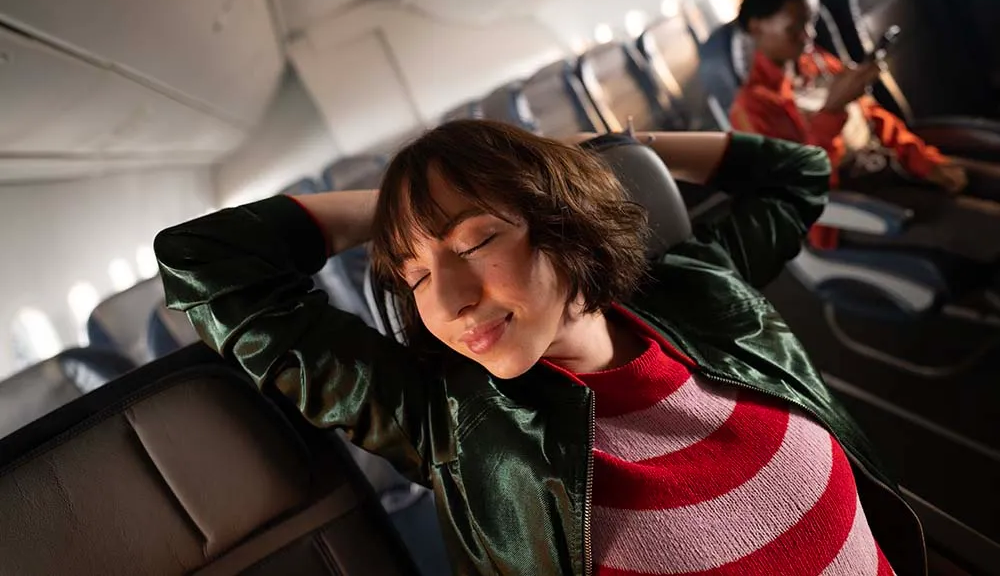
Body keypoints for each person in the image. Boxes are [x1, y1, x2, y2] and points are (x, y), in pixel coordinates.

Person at [155, 121, 921, 575]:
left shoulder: (702, 292)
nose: (447, 300)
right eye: (414, 274)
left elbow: (796, 171)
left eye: (476, 238)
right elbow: (206, 263)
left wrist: (622, 150)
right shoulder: (451, 421)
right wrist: (398, 208)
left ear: (564, 221)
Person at [730, 0, 1000, 262]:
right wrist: (831, 111)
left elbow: (874, 119)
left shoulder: (815, 62)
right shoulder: (752, 110)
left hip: (885, 162)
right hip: (854, 201)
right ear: (756, 28)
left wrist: (925, 162)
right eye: (794, 29)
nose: (808, 36)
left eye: (811, 23)